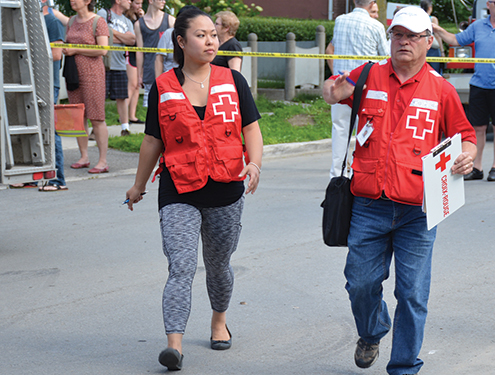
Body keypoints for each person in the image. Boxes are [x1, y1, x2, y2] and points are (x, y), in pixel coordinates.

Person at [322, 6, 476, 375]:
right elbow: (333, 92)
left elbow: (465, 135)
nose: (403, 41)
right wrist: (333, 88)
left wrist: (468, 156)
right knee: (359, 283)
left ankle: (404, 367)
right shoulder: (369, 75)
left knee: (411, 295)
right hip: (368, 203)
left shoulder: (440, 88)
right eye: (397, 34)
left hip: (418, 210)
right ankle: (372, 331)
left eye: (412, 36)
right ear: (389, 37)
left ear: (427, 41)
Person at [125, 7, 263, 371]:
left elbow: (251, 128)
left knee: (218, 265)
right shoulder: (165, 86)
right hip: (178, 188)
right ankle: (174, 344)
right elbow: (153, 140)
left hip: (226, 187)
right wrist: (139, 185)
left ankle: (219, 321)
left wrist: (255, 163)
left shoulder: (233, 81)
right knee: (181, 265)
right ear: (182, 41)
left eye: (212, 35)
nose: (210, 41)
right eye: (201, 35)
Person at [324, 0, 389, 179]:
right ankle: (362, 174)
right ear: (372, 4)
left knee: (340, 130)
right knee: (368, 133)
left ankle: (337, 176)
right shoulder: (376, 26)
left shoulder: (340, 21)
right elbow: (386, 56)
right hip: (367, 87)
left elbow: (332, 48)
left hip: (342, 83)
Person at [433, 2, 495, 181]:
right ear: (488, 5)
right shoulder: (478, 26)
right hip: (479, 84)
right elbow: (455, 40)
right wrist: (437, 29)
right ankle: (477, 168)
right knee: (478, 127)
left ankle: (494, 167)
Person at [62, 0, 110, 174]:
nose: (72, 1)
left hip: (93, 75)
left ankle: (103, 161)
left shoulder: (98, 21)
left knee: (96, 117)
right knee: (78, 116)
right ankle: (84, 157)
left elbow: (103, 49)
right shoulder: (71, 21)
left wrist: (76, 50)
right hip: (74, 74)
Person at [40, 0, 68, 191]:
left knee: (52, 130)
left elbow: (56, 54)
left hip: (49, 84)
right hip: (36, 84)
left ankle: (58, 179)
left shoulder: (52, 22)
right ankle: (32, 177)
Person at [98, 0, 136, 136]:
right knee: (99, 97)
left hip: (120, 64)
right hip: (104, 63)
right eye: (128, 0)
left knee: (122, 97)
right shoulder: (103, 13)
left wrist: (111, 33)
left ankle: (125, 128)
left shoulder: (128, 22)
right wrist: (122, 37)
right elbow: (99, 35)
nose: (130, 2)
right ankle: (96, 128)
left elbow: (132, 41)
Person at [134, 0, 175, 107]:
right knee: (151, 108)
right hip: (149, 71)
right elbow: (140, 50)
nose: (164, 1)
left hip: (168, 71)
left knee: (168, 107)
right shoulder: (139, 24)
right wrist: (139, 74)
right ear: (151, 1)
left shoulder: (170, 20)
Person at [124, 0, 145, 124]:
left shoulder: (140, 18)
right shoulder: (127, 18)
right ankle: (124, 114)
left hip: (139, 53)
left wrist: (142, 18)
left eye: (141, 4)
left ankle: (132, 115)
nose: (139, 6)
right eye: (137, 3)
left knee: (137, 85)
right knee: (131, 84)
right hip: (130, 54)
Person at [420, 0, 445, 74]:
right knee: (435, 71)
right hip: (433, 47)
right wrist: (442, 50)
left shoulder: (418, 19)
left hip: (421, 46)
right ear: (430, 8)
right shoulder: (433, 19)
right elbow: (437, 35)